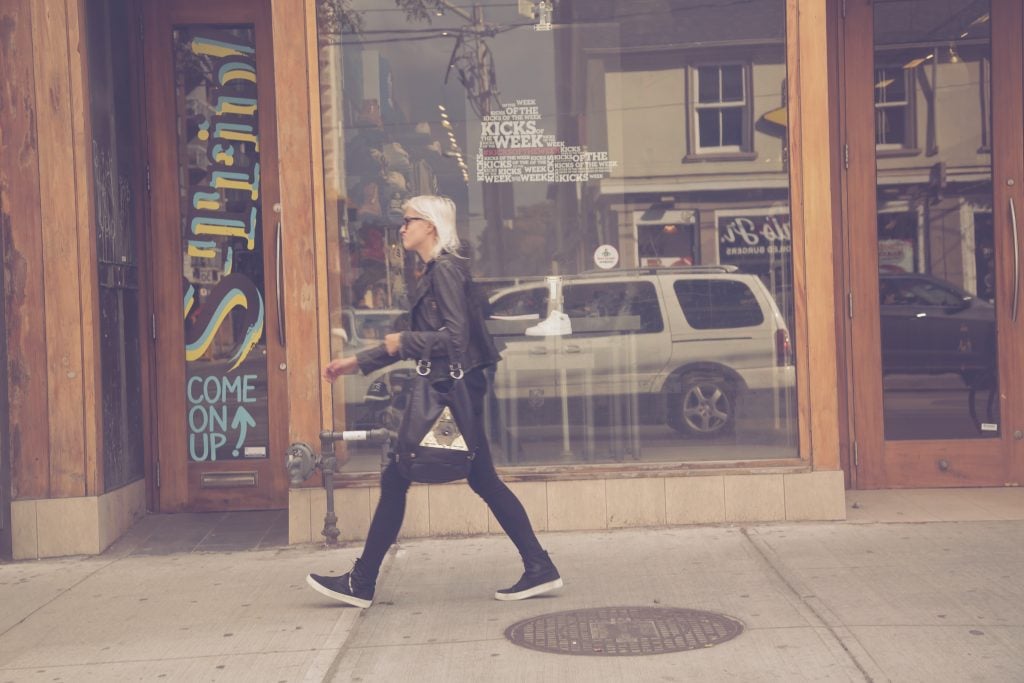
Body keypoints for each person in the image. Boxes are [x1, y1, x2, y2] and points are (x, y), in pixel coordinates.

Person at [307, 195, 563, 608]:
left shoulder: (444, 270)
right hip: (459, 393)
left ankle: (362, 582)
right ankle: (539, 567)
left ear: (429, 225)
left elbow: (455, 339)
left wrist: (404, 340)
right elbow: (424, 339)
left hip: (452, 396)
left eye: (408, 221)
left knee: (398, 476)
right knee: (477, 479)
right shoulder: (436, 270)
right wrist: (358, 361)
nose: (402, 228)